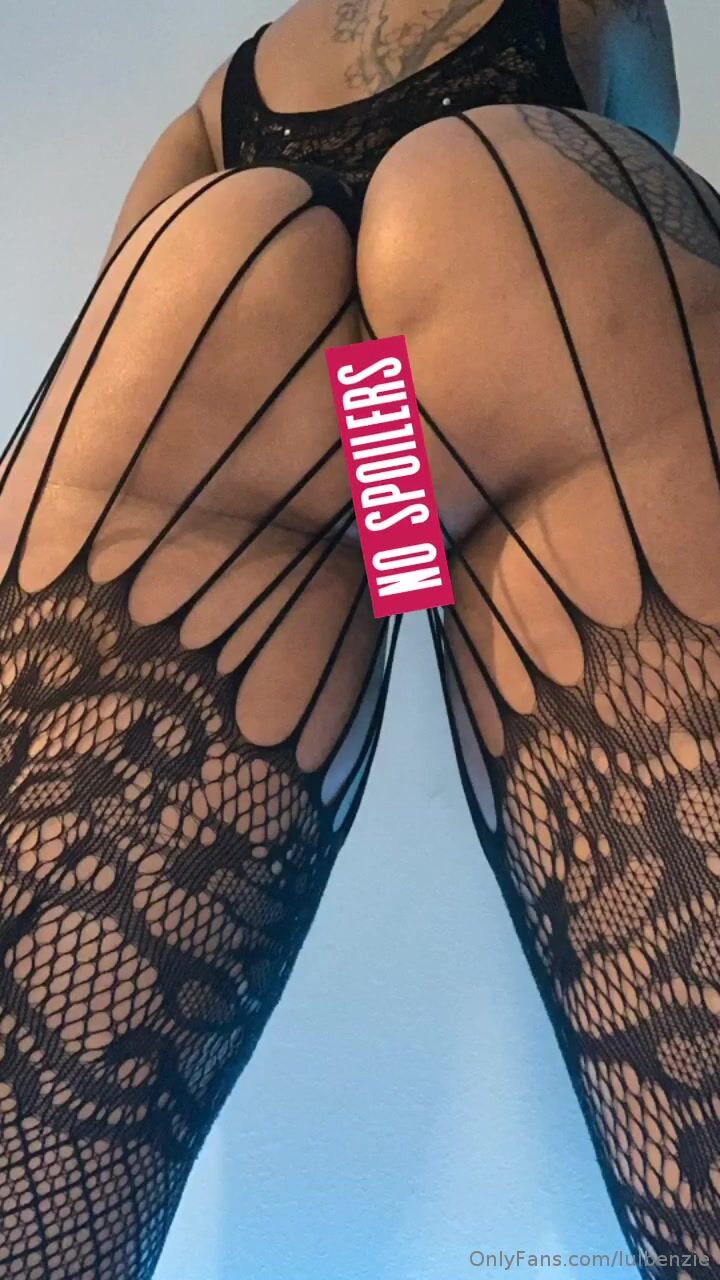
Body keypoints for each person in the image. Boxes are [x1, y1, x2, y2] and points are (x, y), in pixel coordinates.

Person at [3, 1, 717, 1277]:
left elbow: (114, 314)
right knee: (475, 226)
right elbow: (643, 164)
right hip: (496, 305)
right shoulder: (585, 9)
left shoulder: (225, 101)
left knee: (244, 252)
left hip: (290, 361)